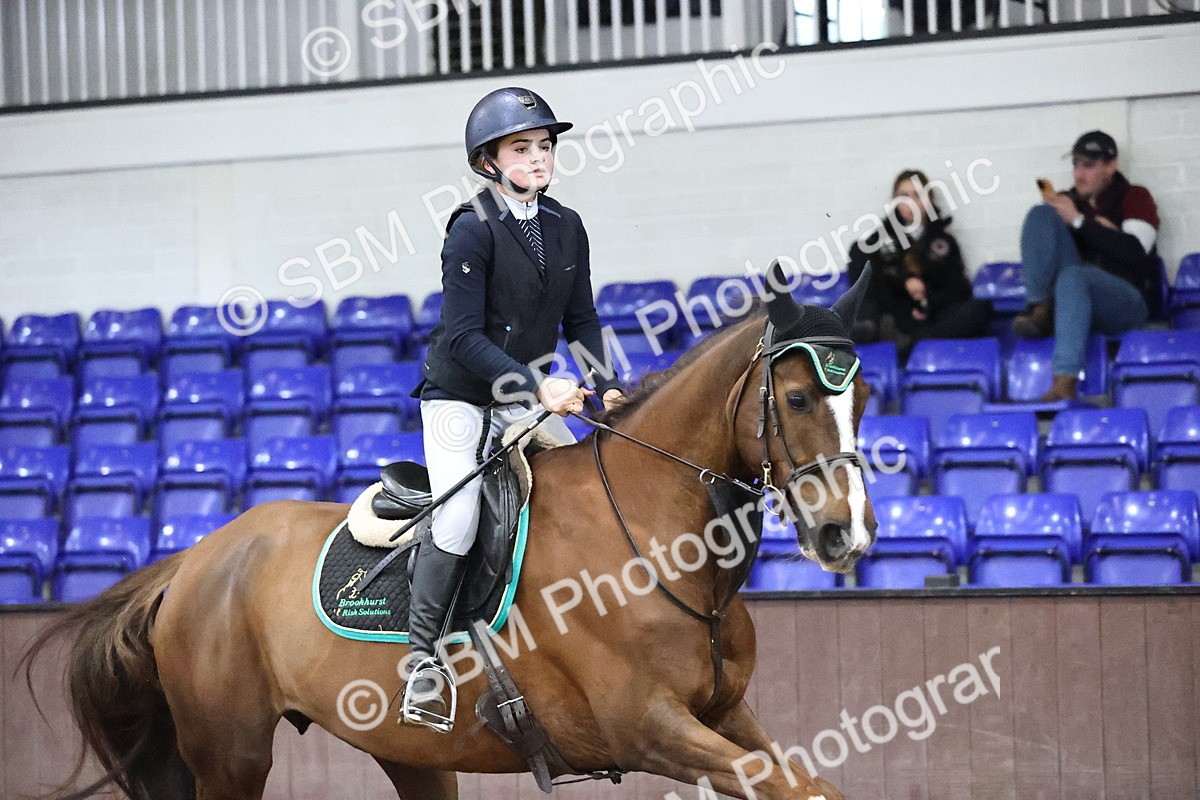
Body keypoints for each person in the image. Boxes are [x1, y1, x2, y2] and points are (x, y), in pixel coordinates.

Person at [402, 87, 625, 731]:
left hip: (526, 396)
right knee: (460, 514)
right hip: (460, 398)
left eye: (545, 147)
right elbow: (463, 337)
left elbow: (582, 317)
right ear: (489, 162)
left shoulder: (566, 225)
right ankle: (423, 662)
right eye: (522, 148)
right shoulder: (471, 229)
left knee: (582, 486)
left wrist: (606, 382)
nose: (538, 158)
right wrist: (536, 391)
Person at [1011, 131, 1160, 401]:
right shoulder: (1070, 200)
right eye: (1076, 164)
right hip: (1075, 299)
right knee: (1041, 214)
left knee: (1074, 276)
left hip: (1125, 300)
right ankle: (1039, 308)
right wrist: (1076, 222)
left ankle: (1064, 382)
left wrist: (1080, 222)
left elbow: (1135, 251)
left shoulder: (1135, 197)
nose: (1079, 174)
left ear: (1111, 166)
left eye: (1088, 165)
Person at [847, 169, 992, 354]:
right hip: (895, 316)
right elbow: (879, 285)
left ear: (929, 199)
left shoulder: (944, 242)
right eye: (903, 196)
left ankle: (914, 344)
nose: (910, 202)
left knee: (980, 308)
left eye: (917, 195)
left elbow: (960, 289)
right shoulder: (879, 240)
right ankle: (872, 324)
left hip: (934, 316)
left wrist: (927, 301)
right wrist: (905, 282)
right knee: (860, 251)